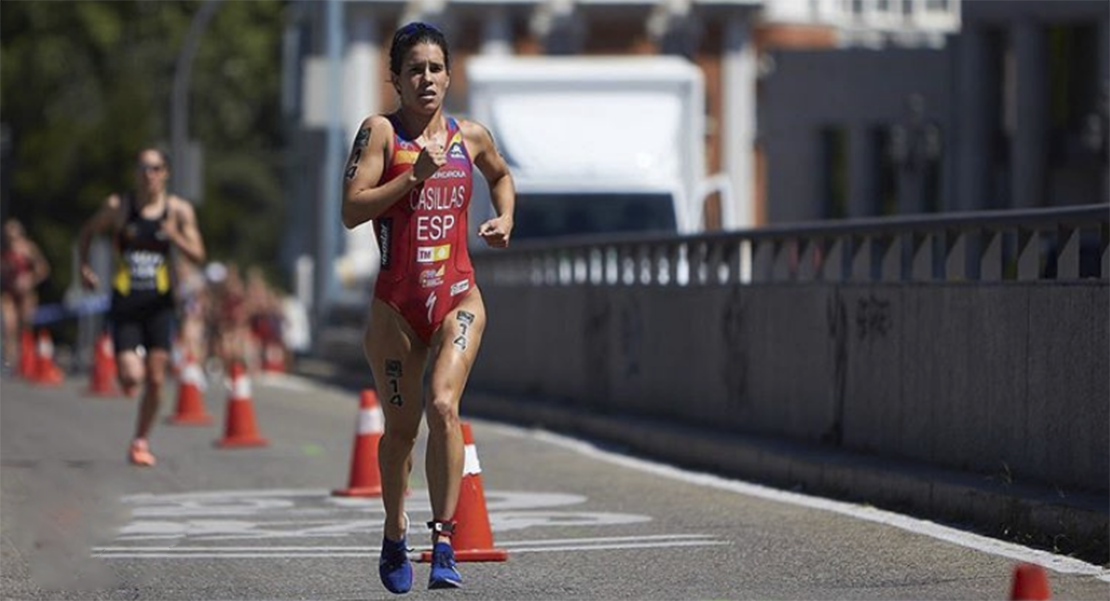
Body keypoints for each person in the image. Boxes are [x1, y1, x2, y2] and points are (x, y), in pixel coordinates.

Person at [341, 22, 515, 593]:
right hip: (396, 309)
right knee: (398, 434)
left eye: (436, 68)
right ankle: (394, 531)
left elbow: (501, 175)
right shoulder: (381, 135)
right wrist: (413, 176)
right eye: (414, 69)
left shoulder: (471, 135)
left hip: (457, 297)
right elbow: (351, 209)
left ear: (449, 74)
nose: (426, 79)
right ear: (395, 78)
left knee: (443, 404)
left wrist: (505, 216)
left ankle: (444, 541)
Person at [77, 147, 206, 466]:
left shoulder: (178, 211)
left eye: (155, 168)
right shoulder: (118, 207)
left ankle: (140, 439)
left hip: (161, 305)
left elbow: (199, 254)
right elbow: (88, 232)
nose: (148, 174)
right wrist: (84, 266)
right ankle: (131, 381)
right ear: (136, 173)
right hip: (126, 303)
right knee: (131, 376)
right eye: (143, 168)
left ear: (166, 173)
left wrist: (175, 237)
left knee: (158, 378)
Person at [0, 219, 51, 374]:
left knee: (25, 325)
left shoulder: (28, 248)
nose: (11, 239)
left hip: (26, 294)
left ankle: (26, 360)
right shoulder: (4, 251)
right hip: (8, 292)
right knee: (9, 326)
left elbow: (43, 269)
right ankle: (10, 363)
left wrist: (30, 279)